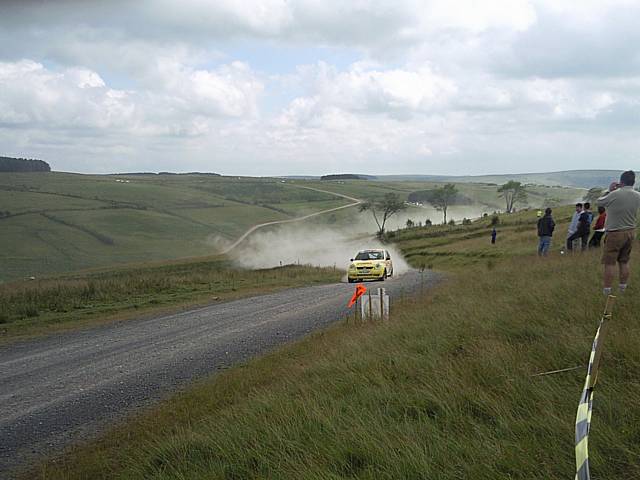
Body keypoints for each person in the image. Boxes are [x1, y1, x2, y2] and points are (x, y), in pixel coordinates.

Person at [598, 170, 640, 296]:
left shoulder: (615, 194)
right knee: (624, 261)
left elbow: (600, 202)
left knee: (609, 262)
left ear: (621, 182)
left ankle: (607, 291)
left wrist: (610, 190)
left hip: (615, 232)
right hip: (631, 231)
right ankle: (623, 289)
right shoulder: (637, 195)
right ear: (633, 181)